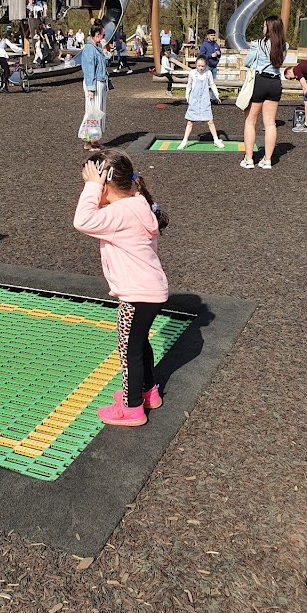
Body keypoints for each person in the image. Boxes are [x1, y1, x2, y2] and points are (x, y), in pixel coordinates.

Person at [73, 149, 169, 426]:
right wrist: (96, 184)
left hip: (136, 295)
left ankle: (132, 408)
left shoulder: (120, 212)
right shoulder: (137, 202)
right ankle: (148, 392)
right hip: (151, 291)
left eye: (89, 184)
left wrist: (92, 186)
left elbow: (82, 220)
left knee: (128, 350)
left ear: (105, 184)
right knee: (139, 345)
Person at [240, 15, 286, 170]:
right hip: (275, 83)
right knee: (270, 123)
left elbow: (247, 62)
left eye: (264, 25)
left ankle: (249, 159)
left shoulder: (258, 44)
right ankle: (267, 160)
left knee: (250, 121)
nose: (262, 27)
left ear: (269, 27)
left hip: (260, 81)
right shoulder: (284, 45)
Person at [178, 55, 224, 149]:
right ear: (196, 65)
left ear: (206, 65)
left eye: (203, 66)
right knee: (190, 121)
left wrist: (217, 94)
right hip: (194, 100)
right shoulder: (192, 73)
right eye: (199, 66)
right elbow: (189, 85)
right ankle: (184, 141)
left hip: (204, 100)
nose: (201, 68)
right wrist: (187, 96)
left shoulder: (208, 73)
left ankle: (216, 140)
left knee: (210, 121)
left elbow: (212, 84)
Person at [78, 22, 108, 150]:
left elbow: (105, 60)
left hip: (99, 82)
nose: (104, 37)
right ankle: (89, 140)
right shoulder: (90, 49)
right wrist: (91, 88)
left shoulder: (97, 47)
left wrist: (104, 48)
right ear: (97, 34)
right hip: (94, 83)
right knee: (93, 112)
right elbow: (89, 69)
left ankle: (94, 140)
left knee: (97, 112)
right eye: (103, 34)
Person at [0, 26, 22, 91]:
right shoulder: (5, 40)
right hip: (1, 56)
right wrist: (20, 50)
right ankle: (5, 86)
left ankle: (1, 84)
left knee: (2, 70)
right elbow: (13, 46)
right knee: (7, 71)